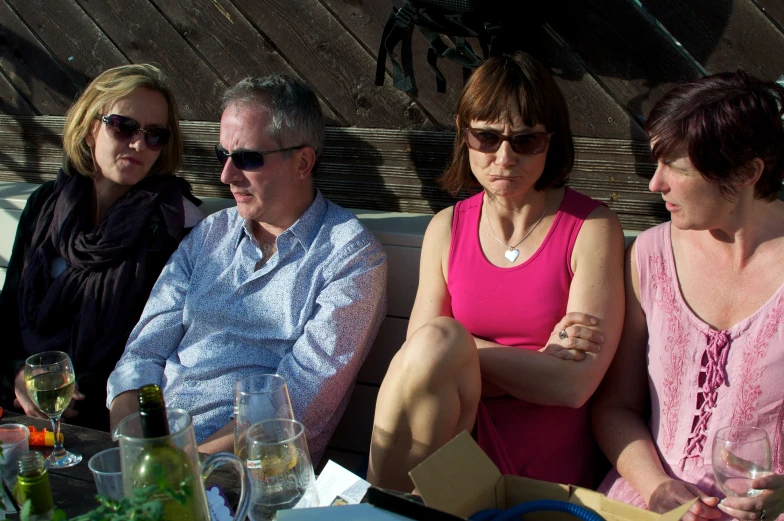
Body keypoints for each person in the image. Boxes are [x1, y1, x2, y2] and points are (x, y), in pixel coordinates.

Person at [367, 52, 625, 492]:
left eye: (525, 141)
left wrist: (460, 362)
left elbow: (571, 385)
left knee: (443, 341)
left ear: (551, 140)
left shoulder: (591, 229)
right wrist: (534, 360)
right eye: (486, 138)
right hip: (452, 445)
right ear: (463, 135)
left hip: (546, 477)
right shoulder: (446, 228)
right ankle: (377, 509)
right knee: (438, 343)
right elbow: (421, 359)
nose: (504, 157)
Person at [106, 74, 387, 464]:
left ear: (303, 162)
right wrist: (132, 440)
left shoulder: (350, 257)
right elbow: (143, 351)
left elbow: (295, 408)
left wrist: (181, 466)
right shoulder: (211, 235)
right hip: (156, 456)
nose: (226, 176)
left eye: (247, 158)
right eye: (224, 156)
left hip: (251, 472)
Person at [593, 71, 784, 521]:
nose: (654, 184)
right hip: (649, 505)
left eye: (675, 167)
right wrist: (657, 488)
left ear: (746, 173)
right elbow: (615, 406)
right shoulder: (649, 257)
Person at [0, 64, 204, 431]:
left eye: (155, 135)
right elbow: (6, 314)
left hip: (105, 420)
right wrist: (17, 373)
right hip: (17, 408)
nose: (139, 144)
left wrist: (80, 391)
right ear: (89, 127)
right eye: (123, 127)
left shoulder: (176, 222)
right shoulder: (46, 206)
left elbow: (162, 342)